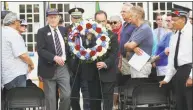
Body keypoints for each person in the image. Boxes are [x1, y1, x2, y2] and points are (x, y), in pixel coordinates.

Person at [80, 10, 118, 110]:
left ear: (106, 21)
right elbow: (82, 51)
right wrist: (87, 41)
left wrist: (105, 63)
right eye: (98, 21)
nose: (101, 24)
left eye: (103, 21)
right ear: (94, 21)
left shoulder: (112, 35)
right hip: (92, 74)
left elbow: (114, 54)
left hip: (108, 73)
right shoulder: (88, 35)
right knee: (94, 102)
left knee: (107, 103)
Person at [36, 8, 71, 110]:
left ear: (59, 18)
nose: (53, 19)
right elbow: (40, 50)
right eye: (50, 17)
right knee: (50, 98)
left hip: (63, 67)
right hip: (48, 67)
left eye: (55, 17)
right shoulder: (42, 31)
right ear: (47, 18)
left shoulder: (64, 30)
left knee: (66, 95)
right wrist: (54, 57)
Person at [159, 8, 192, 110]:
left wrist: (192, 76)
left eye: (174, 20)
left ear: (182, 19)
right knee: (180, 104)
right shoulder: (175, 35)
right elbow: (172, 58)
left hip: (189, 71)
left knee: (190, 104)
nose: (172, 23)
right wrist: (167, 78)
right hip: (179, 73)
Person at [67, 7, 91, 110]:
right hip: (72, 67)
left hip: (86, 66)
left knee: (87, 94)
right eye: (74, 17)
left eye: (79, 17)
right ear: (71, 18)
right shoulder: (66, 30)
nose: (77, 20)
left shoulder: (88, 30)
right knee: (73, 95)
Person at [124, 6, 153, 78]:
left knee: (141, 88)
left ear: (137, 16)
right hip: (136, 64)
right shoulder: (136, 29)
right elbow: (125, 46)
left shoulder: (144, 28)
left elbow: (129, 46)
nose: (129, 18)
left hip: (141, 66)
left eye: (131, 16)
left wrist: (131, 47)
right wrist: (133, 48)